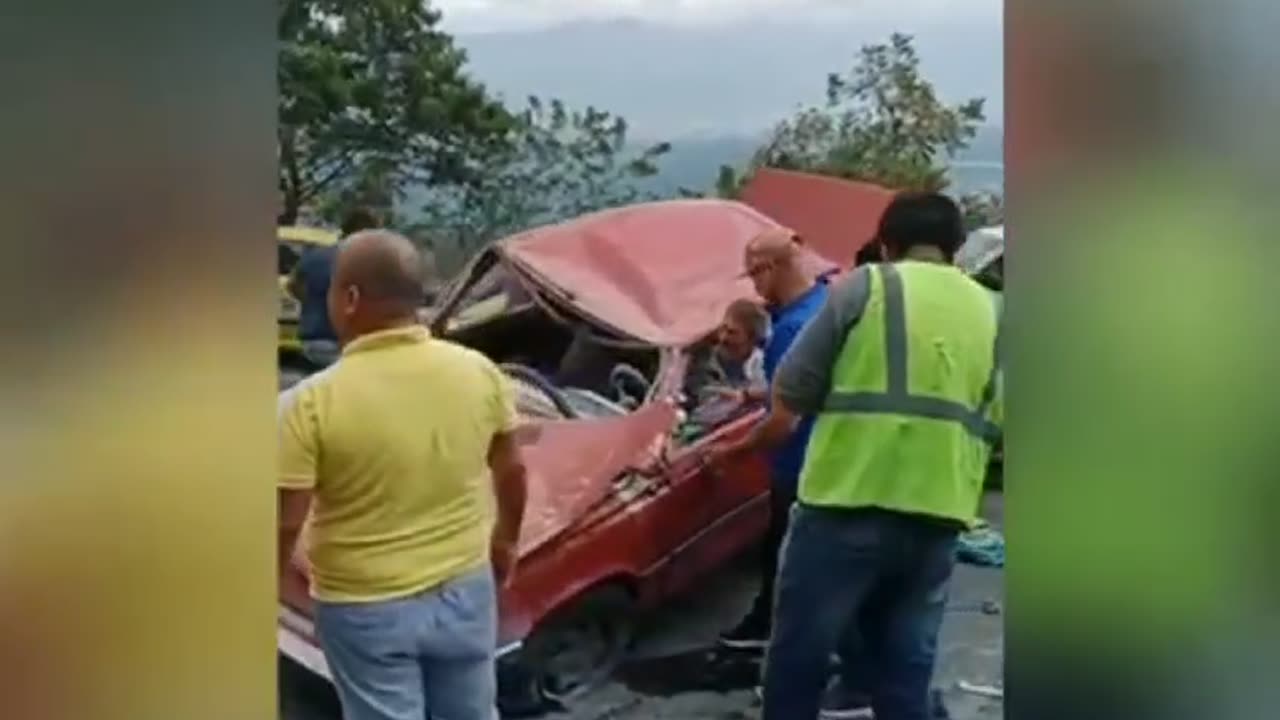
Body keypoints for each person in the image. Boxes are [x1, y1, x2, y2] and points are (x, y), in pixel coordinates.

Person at [760, 192, 1003, 720]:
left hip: (846, 501)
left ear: (887, 245)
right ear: (957, 248)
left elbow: (794, 387)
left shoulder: (864, 286)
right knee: (907, 664)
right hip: (938, 512)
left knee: (800, 656)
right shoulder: (991, 309)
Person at [277, 230, 529, 720]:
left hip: (365, 606)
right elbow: (512, 470)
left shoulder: (306, 405)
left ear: (349, 299)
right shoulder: (477, 372)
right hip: (464, 587)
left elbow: (287, 522)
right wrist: (505, 544)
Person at [287, 207, 380, 369]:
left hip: (312, 342)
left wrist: (313, 302)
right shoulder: (363, 261)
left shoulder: (316, 255)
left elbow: (293, 285)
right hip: (345, 343)